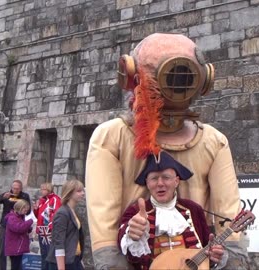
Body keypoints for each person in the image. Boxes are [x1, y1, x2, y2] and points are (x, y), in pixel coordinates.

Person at [86, 33, 247, 269]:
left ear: (129, 73)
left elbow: (227, 211)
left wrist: (227, 255)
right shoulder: (112, 137)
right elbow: (104, 213)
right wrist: (113, 259)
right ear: (205, 80)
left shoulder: (213, 141)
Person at [118, 151, 227, 270]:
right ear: (147, 183)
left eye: (166, 177)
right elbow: (127, 249)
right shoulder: (136, 211)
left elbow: (208, 254)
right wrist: (132, 235)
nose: (160, 183)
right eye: (154, 178)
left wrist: (213, 256)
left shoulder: (193, 209)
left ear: (176, 181)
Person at [0, 180, 31, 270]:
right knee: (3, 251)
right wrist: (2, 198)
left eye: (17, 189)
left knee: (18, 252)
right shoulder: (7, 194)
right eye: (13, 188)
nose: (15, 190)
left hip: (18, 226)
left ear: (21, 189)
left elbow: (28, 211)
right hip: (5, 226)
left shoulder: (24, 196)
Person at [46, 180, 85, 270]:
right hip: (63, 262)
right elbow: (59, 242)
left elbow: (75, 237)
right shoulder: (62, 213)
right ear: (70, 193)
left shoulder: (72, 211)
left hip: (73, 259)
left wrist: (79, 259)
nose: (82, 193)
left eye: (82, 190)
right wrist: (61, 268)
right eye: (79, 191)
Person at [33, 182, 62, 270]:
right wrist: (35, 209)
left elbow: (56, 213)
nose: (42, 191)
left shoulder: (55, 199)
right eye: (41, 189)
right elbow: (39, 216)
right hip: (42, 230)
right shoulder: (42, 201)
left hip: (49, 230)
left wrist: (50, 227)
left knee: (50, 254)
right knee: (44, 254)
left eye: (44, 189)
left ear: (49, 189)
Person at [4, 199, 34, 270]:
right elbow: (19, 228)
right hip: (15, 249)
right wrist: (30, 221)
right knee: (16, 267)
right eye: (25, 210)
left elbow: (22, 227)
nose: (26, 212)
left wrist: (28, 228)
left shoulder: (19, 217)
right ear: (20, 208)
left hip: (19, 248)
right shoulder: (12, 218)